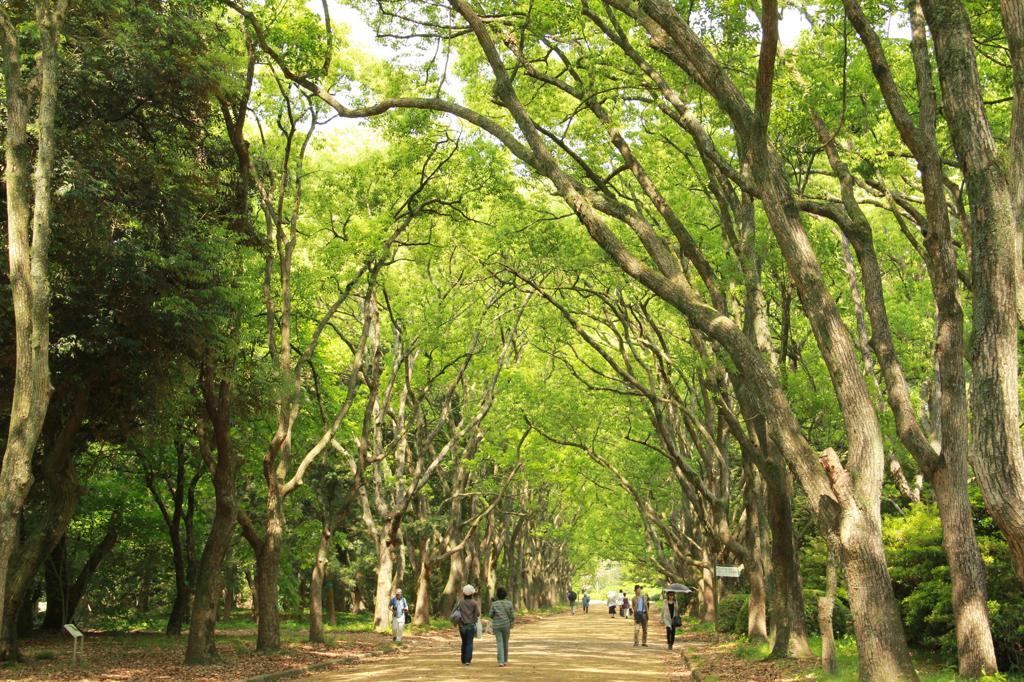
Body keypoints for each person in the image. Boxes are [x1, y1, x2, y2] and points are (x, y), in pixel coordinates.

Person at [489, 586, 515, 667]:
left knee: (499, 642)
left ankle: (500, 661)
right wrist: (510, 622)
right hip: (506, 625)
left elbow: (490, 615)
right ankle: (505, 660)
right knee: (505, 642)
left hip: (497, 626)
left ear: (497, 595)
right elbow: (512, 616)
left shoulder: (494, 604)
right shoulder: (509, 603)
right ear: (505, 595)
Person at [455, 584, 481, 665]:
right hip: (471, 626)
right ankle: (467, 660)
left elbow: (456, 612)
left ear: (463, 594)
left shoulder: (460, 602)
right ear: (472, 594)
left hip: (462, 626)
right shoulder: (474, 603)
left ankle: (463, 660)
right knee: (469, 643)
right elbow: (478, 614)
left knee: (464, 642)